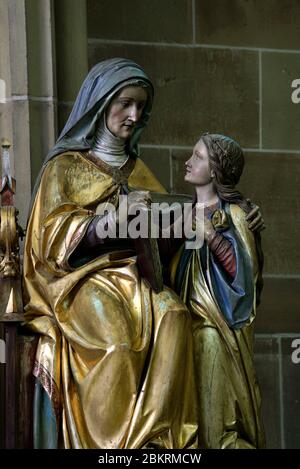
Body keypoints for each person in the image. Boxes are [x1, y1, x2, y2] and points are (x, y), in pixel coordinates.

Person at [23, 58, 199, 449]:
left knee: (175, 316)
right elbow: (47, 239)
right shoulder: (65, 168)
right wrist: (105, 225)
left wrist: (188, 225)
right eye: (125, 103)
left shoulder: (139, 170)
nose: (134, 115)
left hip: (139, 278)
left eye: (140, 106)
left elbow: (163, 238)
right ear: (102, 105)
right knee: (116, 344)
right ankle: (112, 447)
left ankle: (154, 442)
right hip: (81, 281)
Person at [169, 133, 265, 449]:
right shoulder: (181, 213)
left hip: (215, 332)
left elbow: (243, 282)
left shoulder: (236, 214)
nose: (187, 161)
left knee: (215, 434)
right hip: (182, 327)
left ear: (215, 170)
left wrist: (209, 233)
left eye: (197, 156)